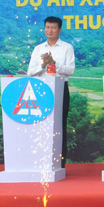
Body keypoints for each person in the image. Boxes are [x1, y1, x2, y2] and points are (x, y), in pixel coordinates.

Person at [28, 16, 75, 167]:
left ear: (59, 29)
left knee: (60, 125)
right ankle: (39, 161)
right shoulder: (38, 49)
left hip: (60, 89)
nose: (50, 30)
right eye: (47, 27)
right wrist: (43, 64)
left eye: (53, 28)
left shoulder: (67, 47)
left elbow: (70, 70)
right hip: (41, 90)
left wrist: (54, 63)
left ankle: (59, 164)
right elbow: (30, 72)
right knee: (40, 125)